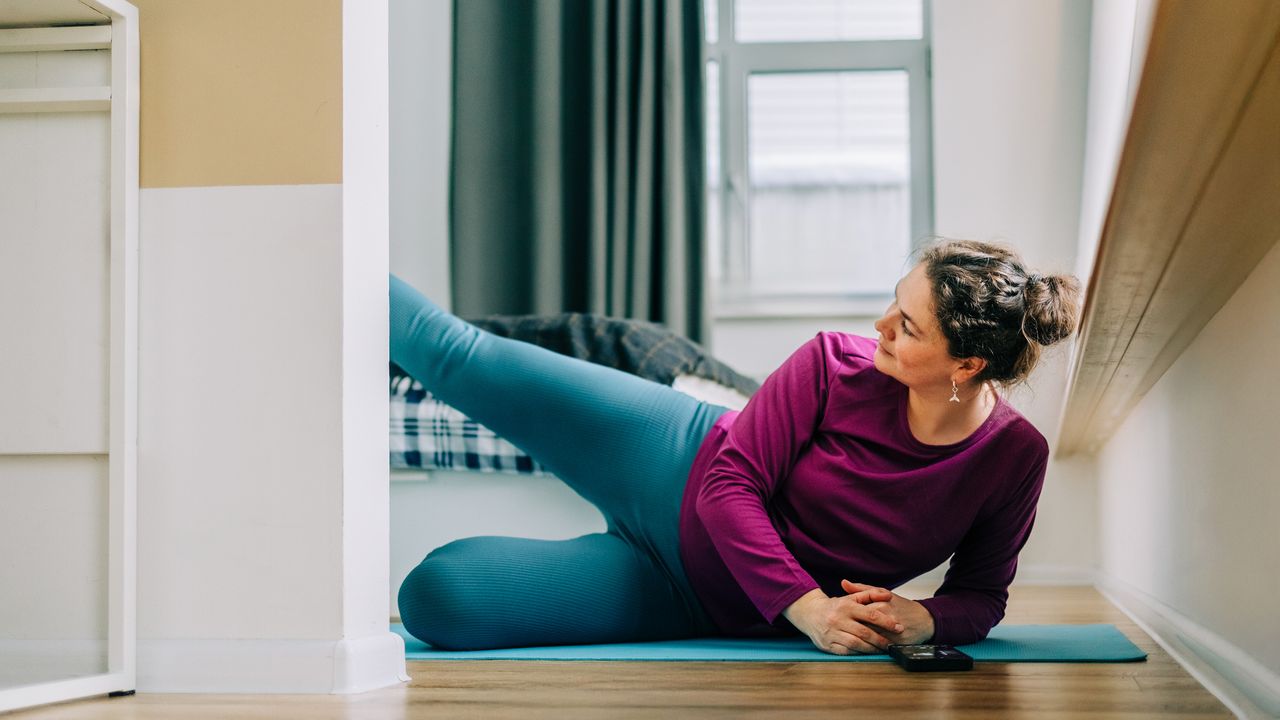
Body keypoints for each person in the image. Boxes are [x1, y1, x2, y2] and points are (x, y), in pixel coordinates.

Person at [391, 238, 1083, 655]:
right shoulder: (832, 362)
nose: (879, 326)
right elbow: (727, 487)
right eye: (891, 304)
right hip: (668, 458)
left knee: (435, 599)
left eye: (906, 326)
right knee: (458, 355)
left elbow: (981, 595)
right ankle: (332, 237)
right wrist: (810, 610)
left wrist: (923, 619)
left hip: (680, 595)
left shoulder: (1014, 458)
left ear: (966, 366)